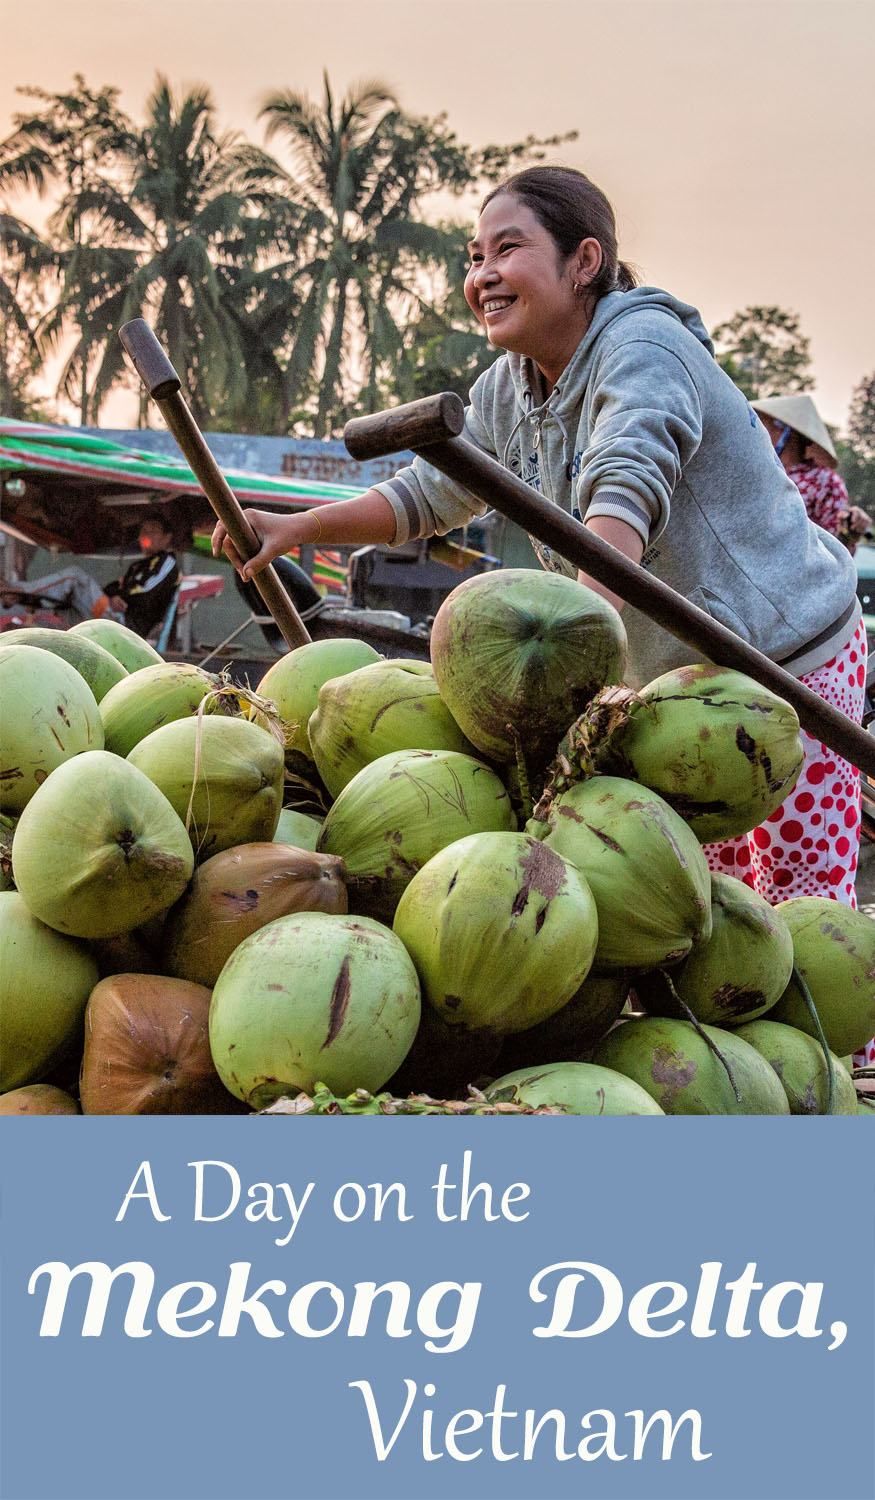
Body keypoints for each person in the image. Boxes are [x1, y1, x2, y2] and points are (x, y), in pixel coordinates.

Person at [212, 163, 866, 916]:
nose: (484, 275)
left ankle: (844, 1042)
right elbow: (431, 493)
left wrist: (574, 657)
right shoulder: (508, 385)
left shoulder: (644, 346)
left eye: (506, 250)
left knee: (803, 909)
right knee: (695, 905)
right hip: (675, 688)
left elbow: (628, 481)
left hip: (786, 663)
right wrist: (298, 528)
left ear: (583, 262)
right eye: (474, 257)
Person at [18, 512, 179, 637]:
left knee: (75, 576)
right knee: (70, 601)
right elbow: (112, 587)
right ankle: (26, 603)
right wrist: (114, 595)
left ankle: (19, 591)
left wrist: (122, 598)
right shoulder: (137, 566)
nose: (146, 534)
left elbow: (145, 590)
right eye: (144, 530)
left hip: (126, 626)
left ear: (167, 538)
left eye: (153, 530)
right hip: (112, 617)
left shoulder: (167, 561)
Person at [754, 393, 872, 553]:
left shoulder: (825, 481)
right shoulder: (762, 473)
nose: (761, 432)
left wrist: (849, 535)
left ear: (787, 433)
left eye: (767, 425)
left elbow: (836, 552)